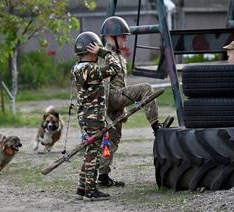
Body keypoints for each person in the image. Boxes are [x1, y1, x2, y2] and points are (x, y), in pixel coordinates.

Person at [98, 16, 174, 188]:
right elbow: (103, 87)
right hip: (111, 98)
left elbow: (121, 84)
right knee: (146, 88)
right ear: (112, 36)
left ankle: (102, 177)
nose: (126, 39)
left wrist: (121, 111)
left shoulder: (117, 56)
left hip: (116, 101)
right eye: (123, 36)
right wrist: (103, 116)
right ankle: (157, 128)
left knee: (111, 141)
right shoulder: (105, 56)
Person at [71, 31, 120, 201]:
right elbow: (116, 67)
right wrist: (103, 52)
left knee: (89, 151)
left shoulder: (77, 68)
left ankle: (82, 188)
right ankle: (91, 191)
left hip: (84, 116)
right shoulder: (92, 69)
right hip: (94, 118)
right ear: (92, 51)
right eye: (96, 51)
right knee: (94, 153)